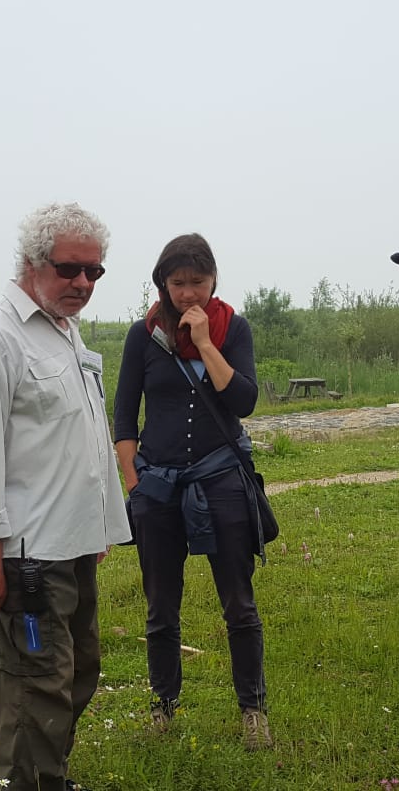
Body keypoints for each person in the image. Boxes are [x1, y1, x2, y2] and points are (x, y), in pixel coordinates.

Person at [0, 202, 130, 791]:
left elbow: (81, 438)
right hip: (27, 552)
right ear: (32, 262)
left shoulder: (62, 330)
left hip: (73, 543)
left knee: (76, 673)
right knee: (34, 683)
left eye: (94, 272)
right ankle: (27, 781)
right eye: (70, 269)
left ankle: (47, 775)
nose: (83, 283)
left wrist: (101, 525)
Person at [112, 233, 271, 750]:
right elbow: (123, 415)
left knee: (239, 604)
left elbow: (244, 400)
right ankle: (163, 707)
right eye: (177, 284)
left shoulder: (233, 329)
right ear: (163, 283)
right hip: (156, 485)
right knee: (161, 605)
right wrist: (134, 483)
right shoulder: (144, 336)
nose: (187, 294)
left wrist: (205, 343)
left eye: (196, 283)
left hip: (220, 479)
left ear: (214, 280)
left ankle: (252, 710)